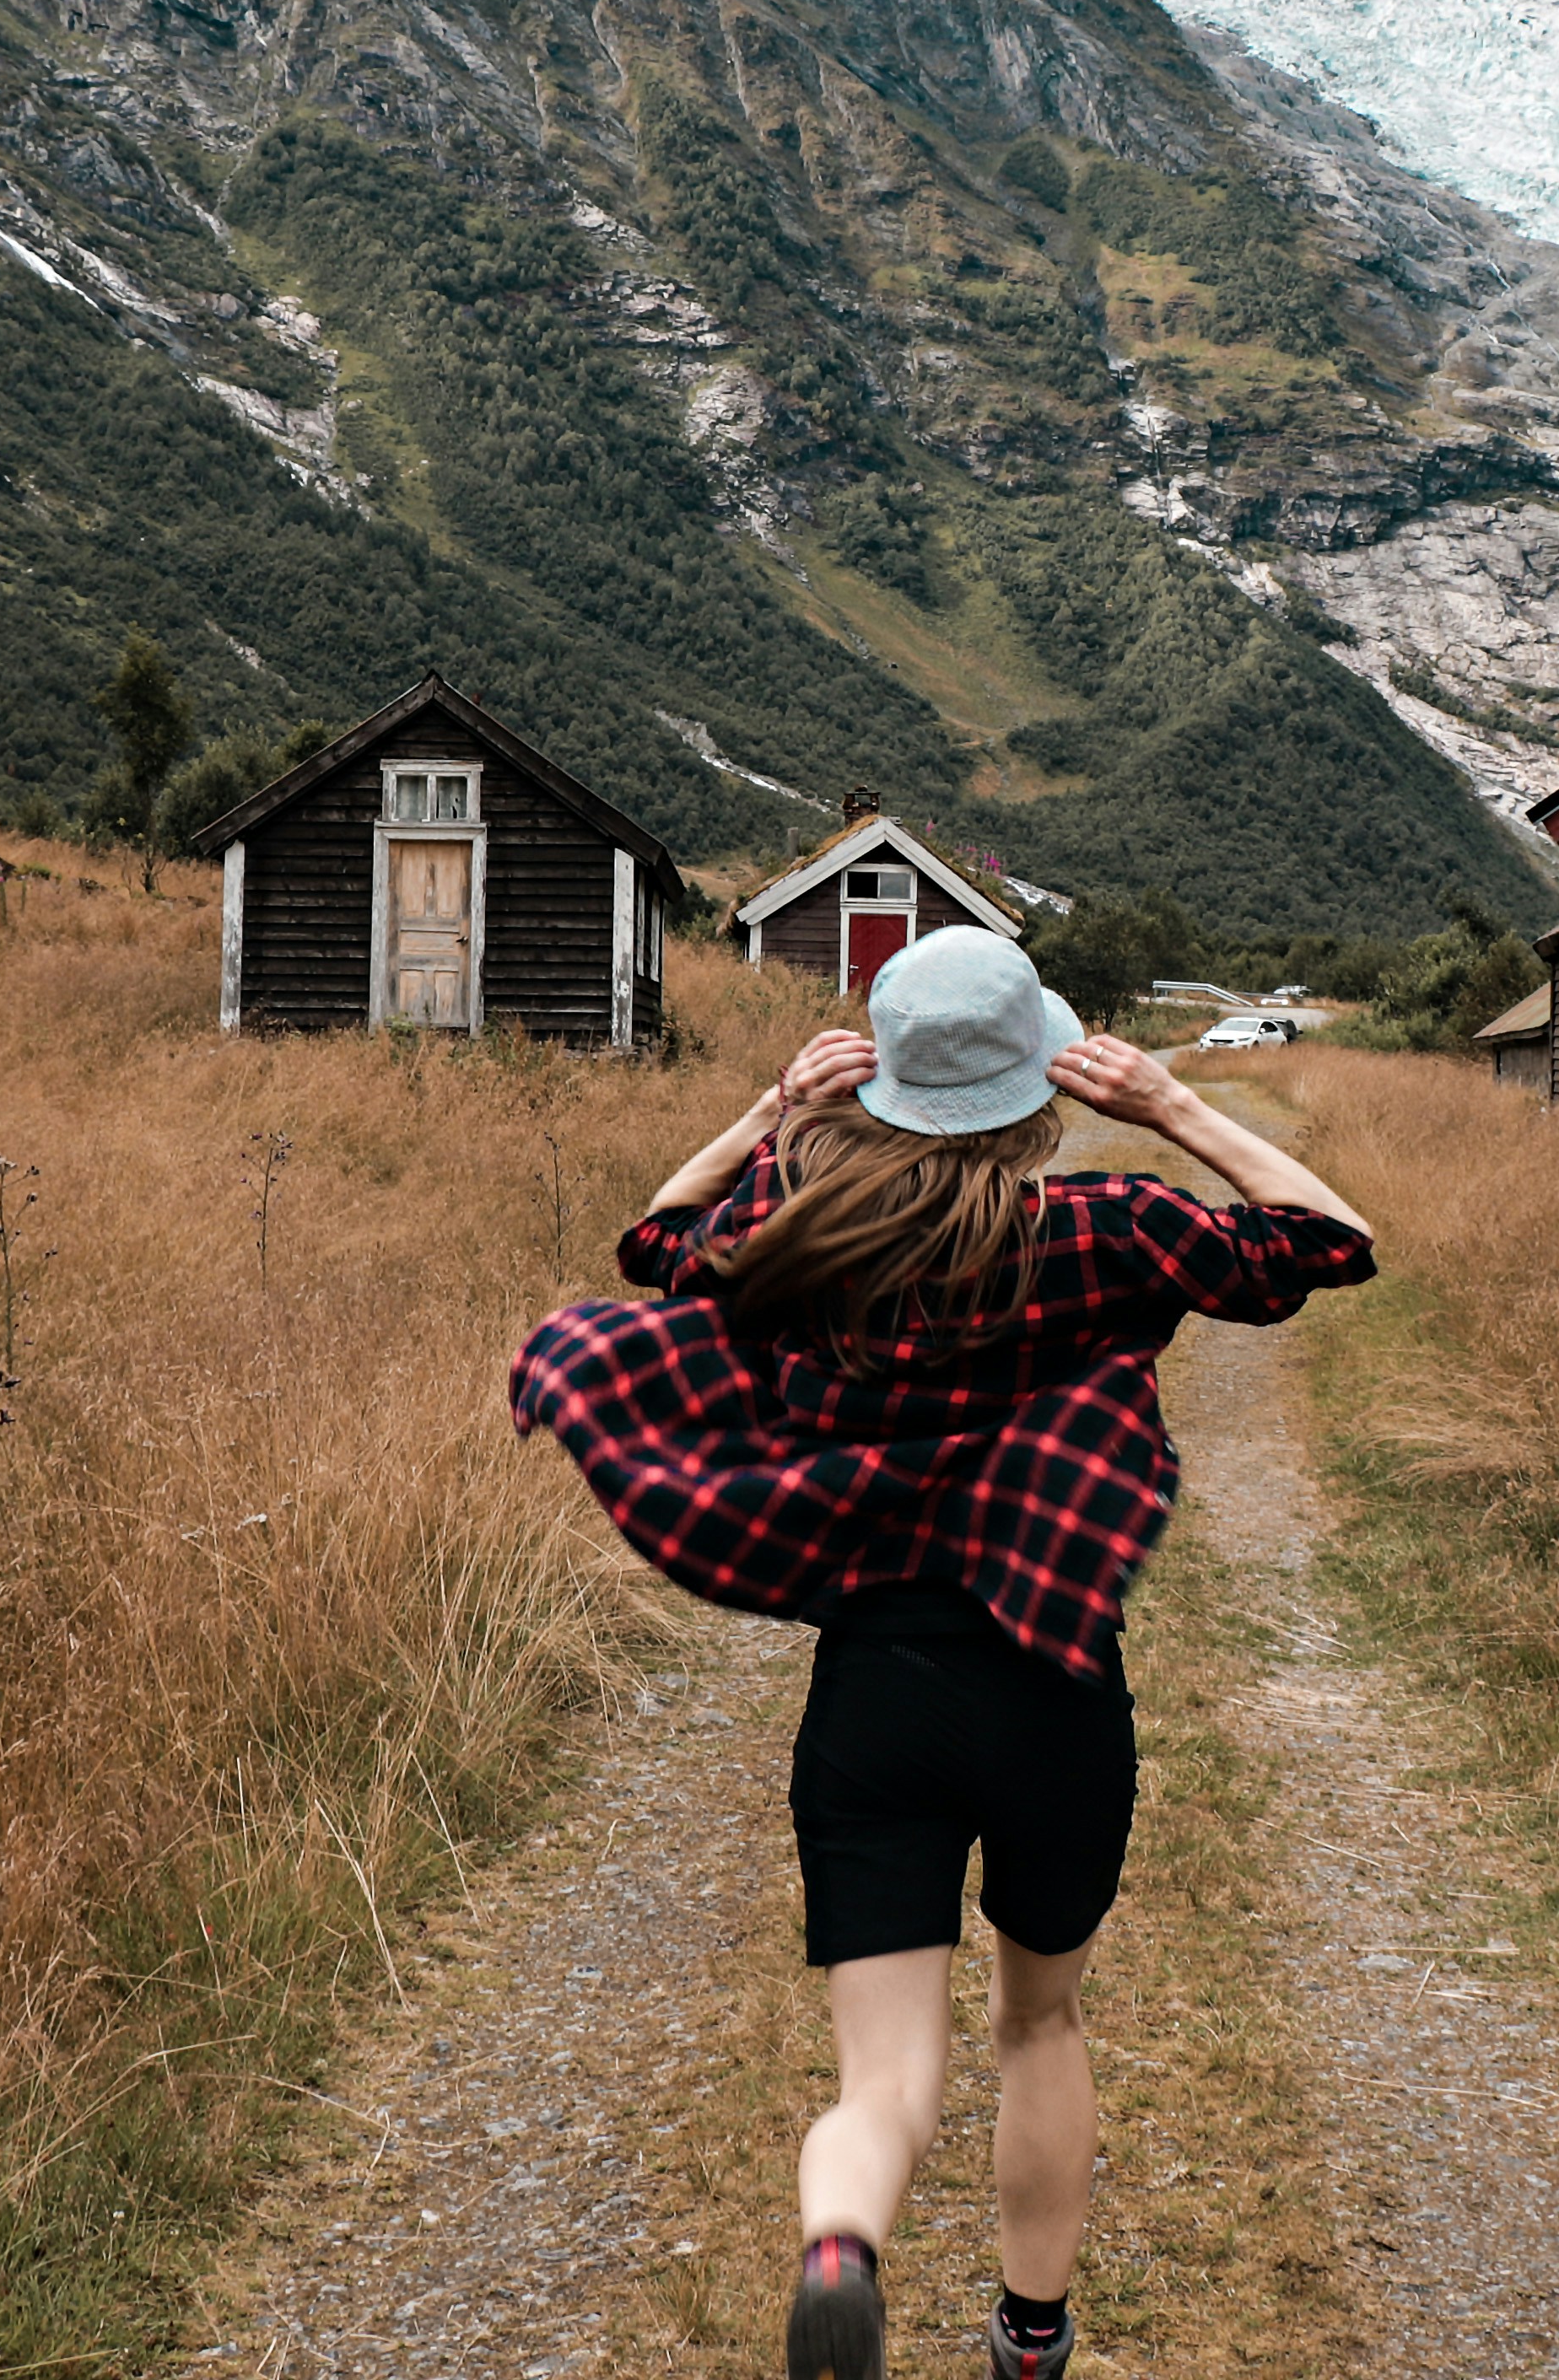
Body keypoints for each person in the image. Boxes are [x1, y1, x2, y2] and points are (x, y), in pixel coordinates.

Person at [509, 926, 1378, 2380]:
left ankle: (843, 2244)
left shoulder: (802, 1229)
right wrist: (1173, 1109)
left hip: (874, 1701)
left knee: (883, 2075)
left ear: (885, 1084)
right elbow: (1329, 1245)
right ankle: (1029, 2342)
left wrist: (771, 1115)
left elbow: (653, 1240)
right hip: (1054, 1685)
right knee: (1038, 2028)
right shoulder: (1105, 1228)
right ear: (1041, 1082)